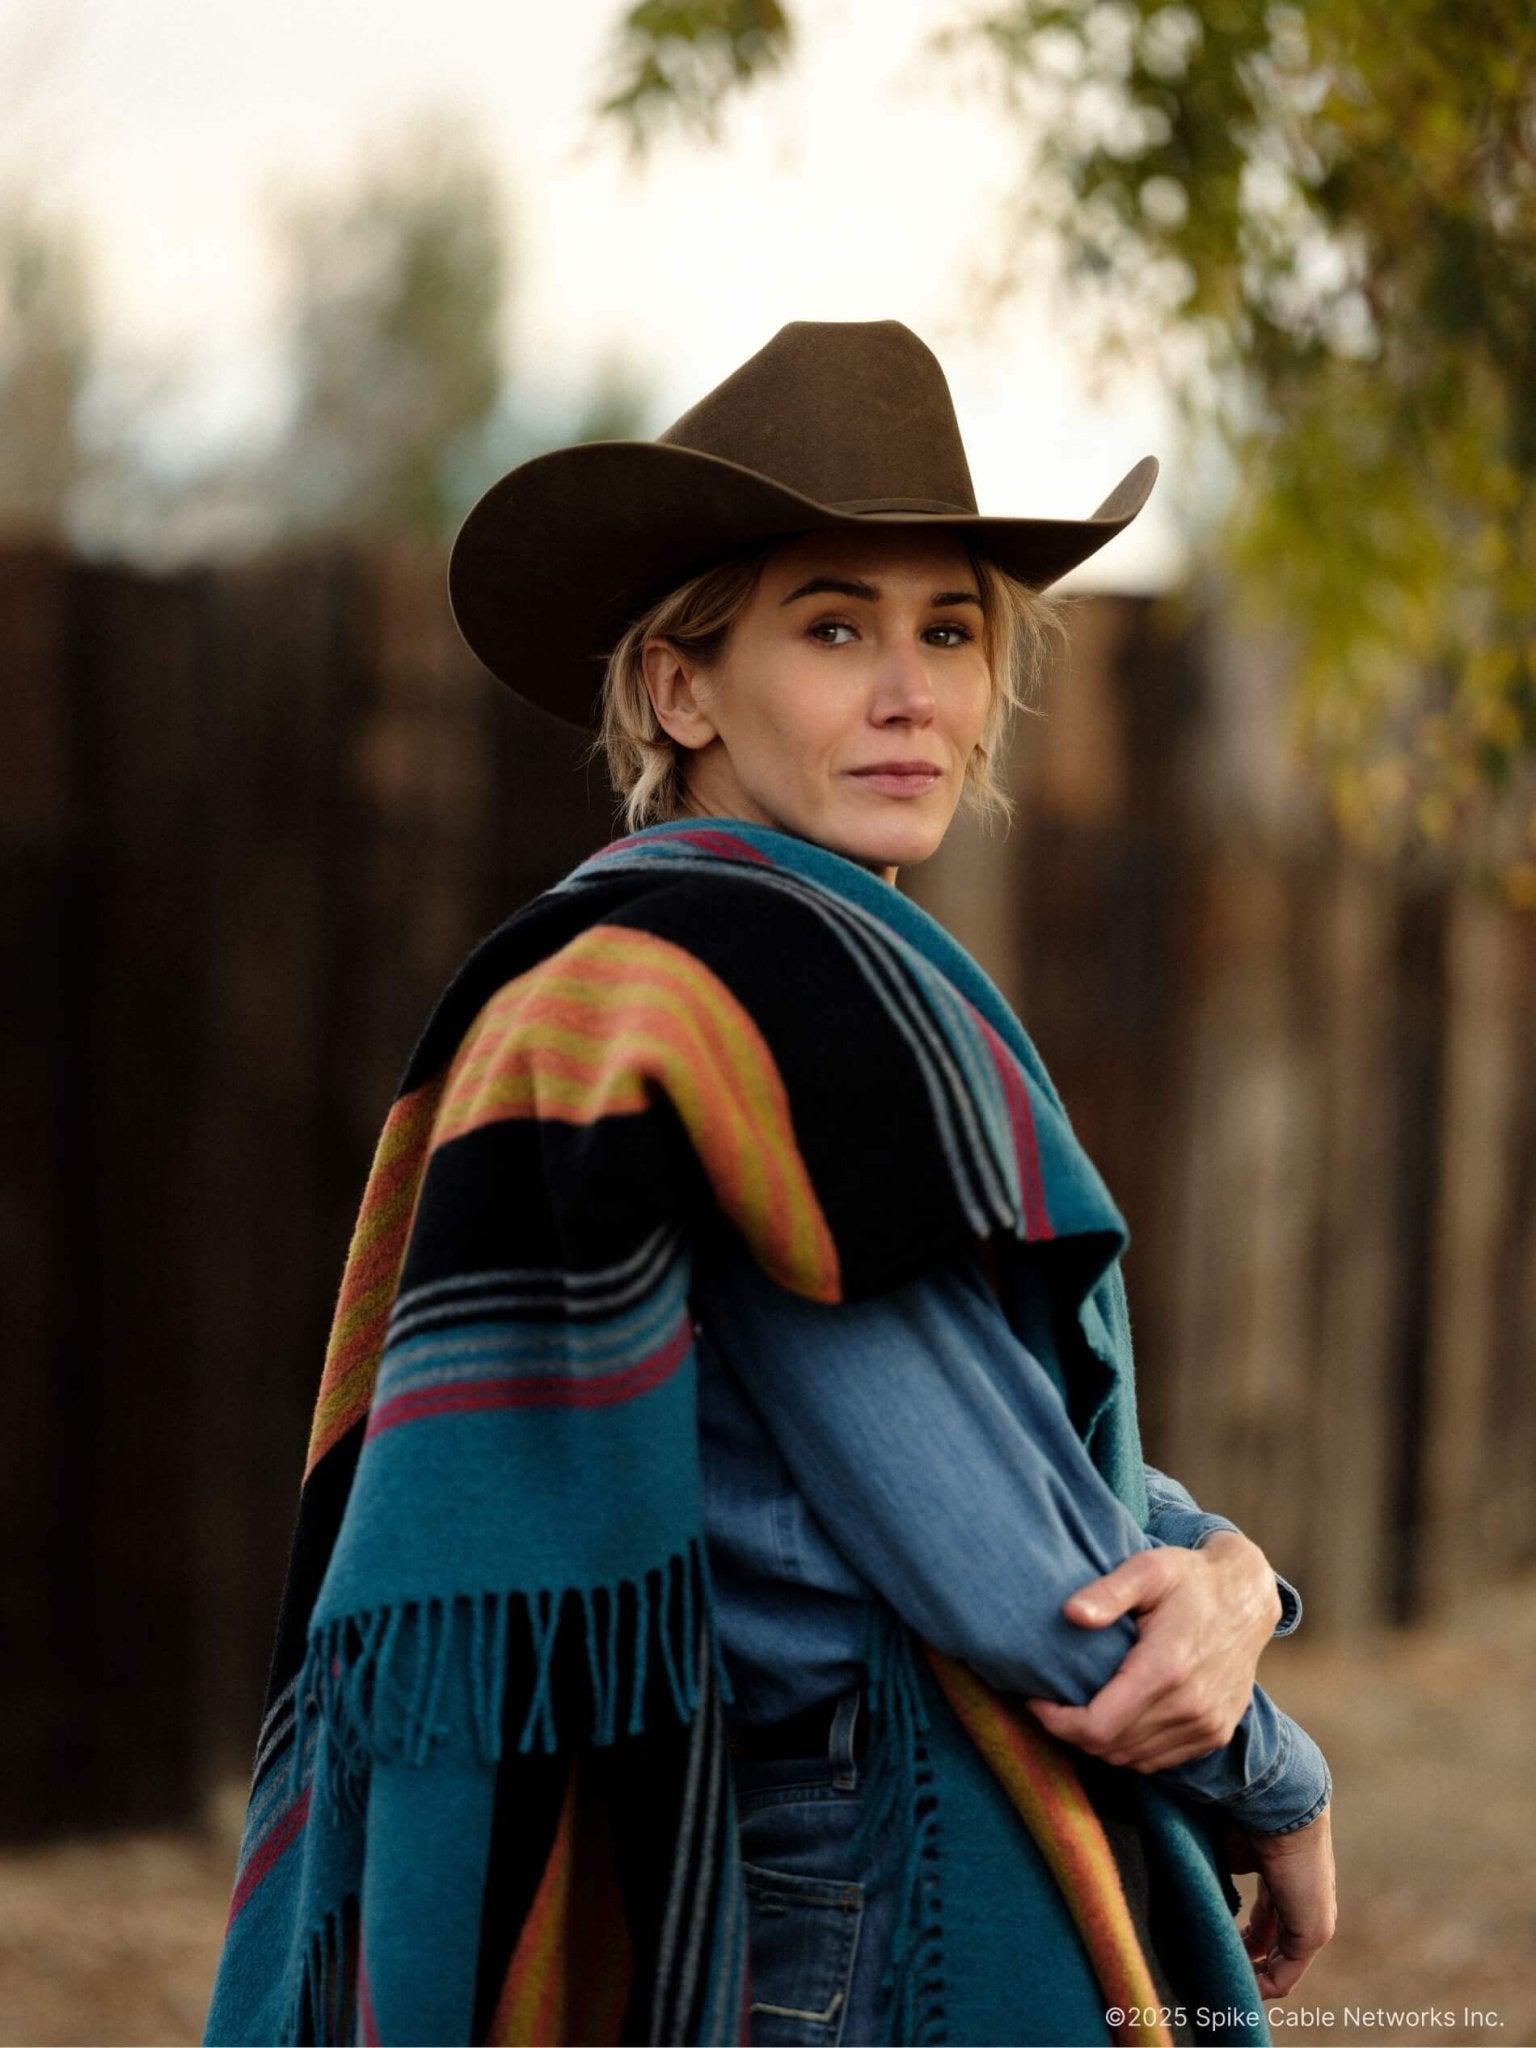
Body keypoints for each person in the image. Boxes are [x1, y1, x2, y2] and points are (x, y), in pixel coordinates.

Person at [204, 319, 1334, 2048]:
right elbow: (1020, 1571)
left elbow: (990, 1420)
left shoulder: (655, 966)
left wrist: (1235, 1571)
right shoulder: (751, 991)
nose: (911, 693)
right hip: (854, 1922)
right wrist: (1279, 1774)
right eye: (832, 627)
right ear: (683, 690)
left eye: (949, 630)